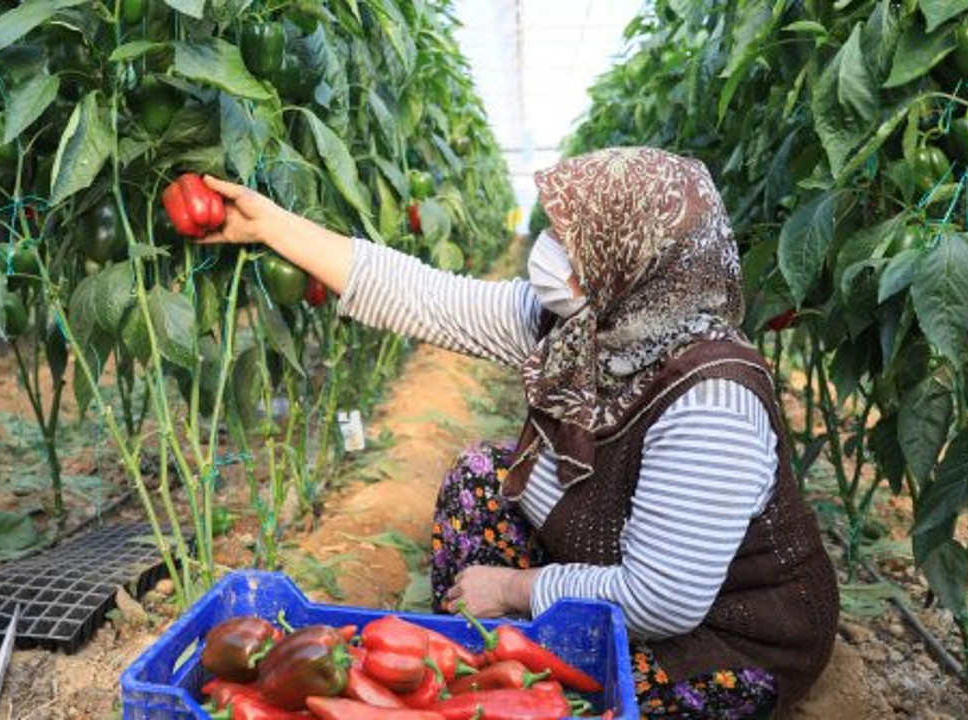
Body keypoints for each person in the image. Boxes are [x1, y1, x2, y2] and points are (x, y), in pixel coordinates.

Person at [195, 146, 838, 719]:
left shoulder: (713, 405)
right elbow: (427, 298)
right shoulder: (586, 325)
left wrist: (512, 588)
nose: (550, 248)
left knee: (582, 700)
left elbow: (662, 600)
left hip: (725, 630)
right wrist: (269, 224)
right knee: (482, 478)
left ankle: (506, 666)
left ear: (636, 263)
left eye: (574, 240)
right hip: (618, 555)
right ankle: (480, 663)